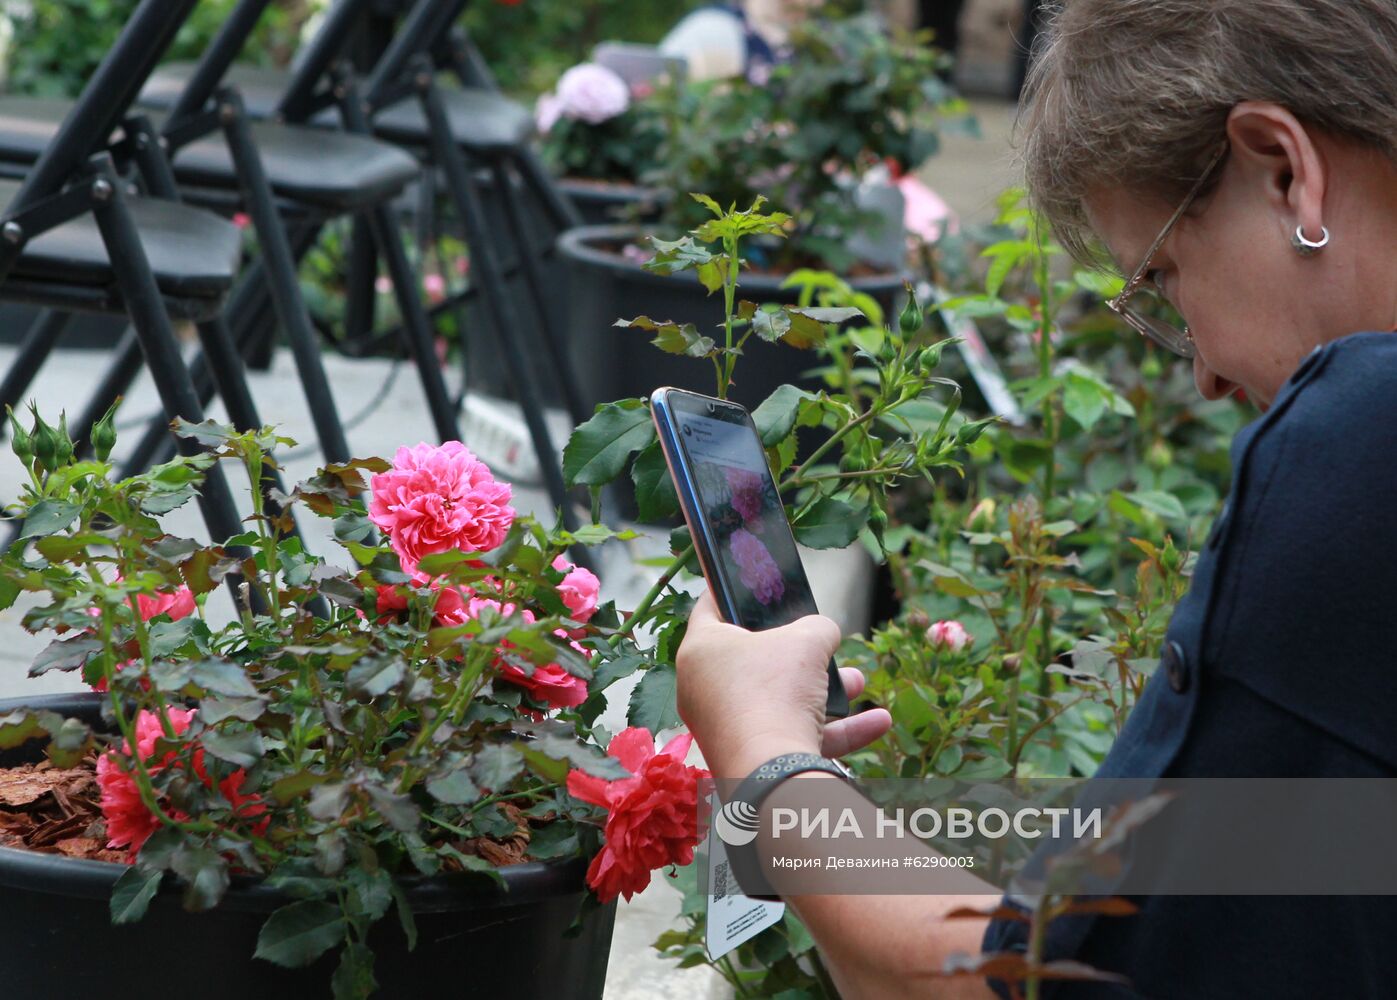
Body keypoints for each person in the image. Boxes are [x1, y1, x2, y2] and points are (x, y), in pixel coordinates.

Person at [676, 0, 1397, 996]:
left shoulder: (1361, 442)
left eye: (1164, 283)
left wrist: (765, 760)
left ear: (1282, 167)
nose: (1203, 377)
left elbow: (1024, 976)